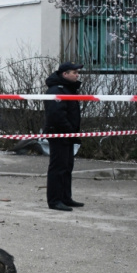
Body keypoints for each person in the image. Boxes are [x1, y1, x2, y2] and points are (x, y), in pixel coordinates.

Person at [43, 62, 84, 211]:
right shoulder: (56, 90)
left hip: (68, 134)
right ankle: (55, 200)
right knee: (58, 168)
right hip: (59, 134)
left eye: (77, 72)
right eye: (74, 72)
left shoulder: (68, 89)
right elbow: (57, 115)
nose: (77, 75)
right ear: (64, 74)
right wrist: (69, 130)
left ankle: (65, 197)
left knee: (67, 167)